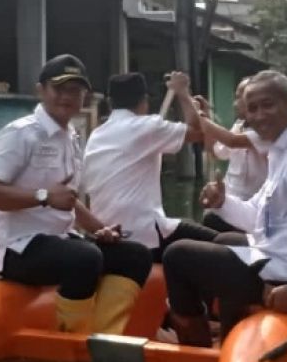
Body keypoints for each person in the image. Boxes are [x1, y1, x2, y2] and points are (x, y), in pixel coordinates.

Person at [162, 70, 287, 346]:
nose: (260, 115)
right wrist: (222, 202)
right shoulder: (281, 150)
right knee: (227, 238)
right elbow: (259, 218)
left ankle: (195, 346)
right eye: (253, 108)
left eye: (268, 105)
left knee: (176, 255)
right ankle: (231, 336)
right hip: (279, 260)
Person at [0, 54, 152, 335]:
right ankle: (75, 340)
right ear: (41, 91)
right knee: (85, 258)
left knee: (135, 255)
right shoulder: (20, 134)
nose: (68, 97)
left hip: (60, 240)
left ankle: (106, 336)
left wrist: (101, 229)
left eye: (76, 90)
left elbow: (68, 200)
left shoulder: (71, 136)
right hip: (18, 249)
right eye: (59, 89)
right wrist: (44, 196)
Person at [81, 71, 218, 261]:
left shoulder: (96, 134)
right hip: (142, 233)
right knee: (221, 243)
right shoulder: (147, 126)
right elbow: (198, 132)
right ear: (143, 101)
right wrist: (182, 92)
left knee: (184, 223)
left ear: (110, 103)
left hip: (104, 229)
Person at [200, 77, 269, 233]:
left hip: (251, 211)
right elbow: (216, 152)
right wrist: (204, 117)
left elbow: (232, 141)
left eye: (239, 97)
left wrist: (200, 119)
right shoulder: (239, 126)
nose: (235, 103)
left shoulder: (266, 131)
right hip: (228, 204)